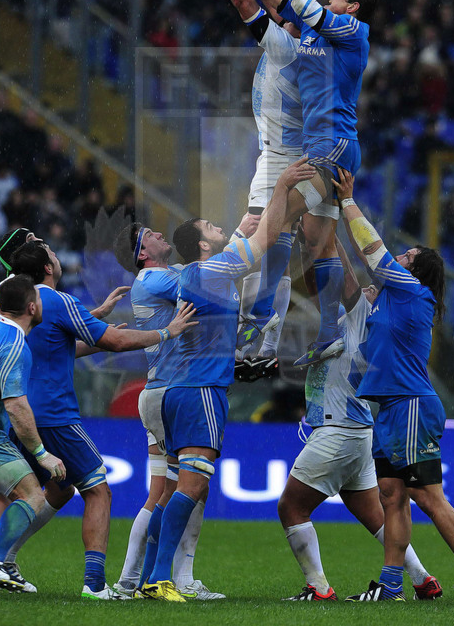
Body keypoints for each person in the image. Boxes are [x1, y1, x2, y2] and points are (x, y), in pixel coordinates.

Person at [133, 159, 317, 603]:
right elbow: (263, 242)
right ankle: (159, 579)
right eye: (210, 227)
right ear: (200, 244)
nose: (219, 229)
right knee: (193, 485)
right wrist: (283, 191)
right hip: (197, 391)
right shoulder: (207, 272)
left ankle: (143, 580)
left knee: (176, 486)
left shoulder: (205, 279)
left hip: (179, 386)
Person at [199, 0, 377, 368]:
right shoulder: (308, 38)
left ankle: (257, 323)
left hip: (324, 148)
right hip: (317, 148)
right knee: (318, 241)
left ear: (351, 7)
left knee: (272, 226)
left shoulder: (346, 33)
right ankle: (334, 331)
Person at [331, 168, 454, 604]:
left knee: (425, 494)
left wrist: (347, 202)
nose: (397, 259)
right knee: (392, 496)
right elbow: (360, 274)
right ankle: (391, 586)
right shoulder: (389, 298)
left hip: (411, 405)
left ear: (415, 271)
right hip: (390, 408)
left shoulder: (412, 291)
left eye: (405, 256)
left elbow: (372, 249)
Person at [8, 240, 196, 600]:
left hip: (15, 413)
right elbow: (115, 342)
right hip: (53, 416)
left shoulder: (16, 303)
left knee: (42, 491)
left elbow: (56, 343)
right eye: (51, 253)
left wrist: (95, 317)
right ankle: (95, 584)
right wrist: (166, 332)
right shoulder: (58, 300)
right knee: (97, 490)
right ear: (48, 268)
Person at [278, 238, 441, 602]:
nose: (365, 290)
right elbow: (322, 279)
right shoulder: (377, 318)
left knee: (291, 507)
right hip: (358, 430)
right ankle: (423, 579)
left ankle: (318, 588)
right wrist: (313, 244)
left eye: (407, 257)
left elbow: (345, 274)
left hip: (339, 429)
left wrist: (327, 228)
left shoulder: (362, 316)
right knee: (375, 517)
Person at [197, 0, 303, 363]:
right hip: (281, 154)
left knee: (252, 238)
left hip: (287, 158)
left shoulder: (290, 48)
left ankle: (233, 326)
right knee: (277, 246)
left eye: (283, 6)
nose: (275, 5)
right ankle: (263, 342)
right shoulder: (301, 36)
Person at [111, 222, 224, 600]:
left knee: (178, 488)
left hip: (165, 388)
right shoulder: (154, 277)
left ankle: (146, 579)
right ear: (142, 253)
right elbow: (208, 285)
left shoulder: (168, 274)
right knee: (170, 489)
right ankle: (145, 579)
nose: (160, 233)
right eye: (151, 235)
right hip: (170, 388)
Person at [0, 275, 66, 599]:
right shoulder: (14, 343)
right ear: (32, 307)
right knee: (33, 496)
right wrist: (40, 453)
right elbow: (17, 406)